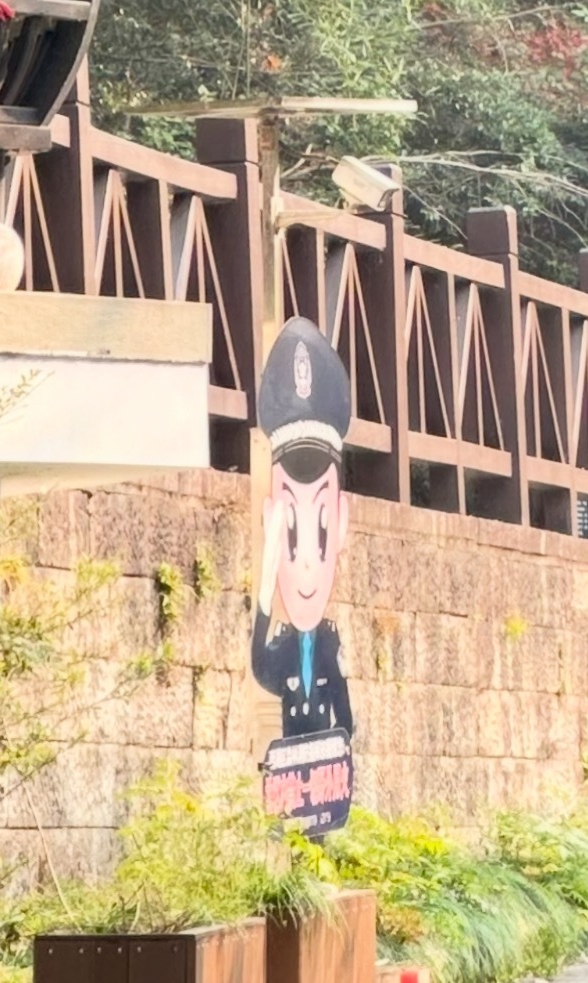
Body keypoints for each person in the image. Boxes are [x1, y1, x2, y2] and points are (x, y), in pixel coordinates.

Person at [248, 315, 358, 830]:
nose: (309, 558)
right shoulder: (282, 648)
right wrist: (266, 593)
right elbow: (259, 669)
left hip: (327, 778)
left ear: (340, 525)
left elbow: (343, 705)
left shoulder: (330, 647)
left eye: (318, 528)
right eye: (292, 529)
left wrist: (346, 736)